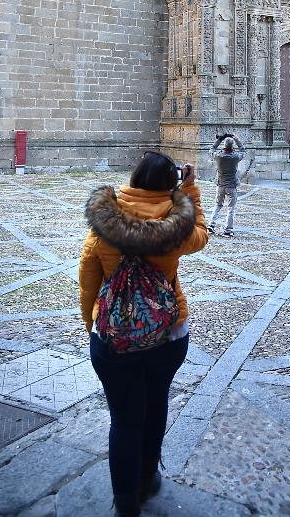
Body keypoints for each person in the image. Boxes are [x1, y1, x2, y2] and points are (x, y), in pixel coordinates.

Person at [79, 153, 208, 517]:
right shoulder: (175, 228)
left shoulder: (103, 224)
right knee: (155, 406)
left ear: (133, 179)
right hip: (167, 335)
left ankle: (125, 501)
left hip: (112, 340)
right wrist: (189, 191)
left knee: (124, 418)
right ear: (170, 184)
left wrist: (92, 326)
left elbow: (88, 278)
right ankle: (148, 477)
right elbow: (202, 233)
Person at [207, 132, 245, 237]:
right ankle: (228, 230)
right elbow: (243, 151)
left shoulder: (218, 156)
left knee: (218, 205)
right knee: (231, 208)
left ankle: (211, 225)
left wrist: (219, 139)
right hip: (231, 185)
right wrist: (237, 140)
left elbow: (211, 149)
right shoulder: (236, 157)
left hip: (220, 184)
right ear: (232, 146)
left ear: (224, 146)